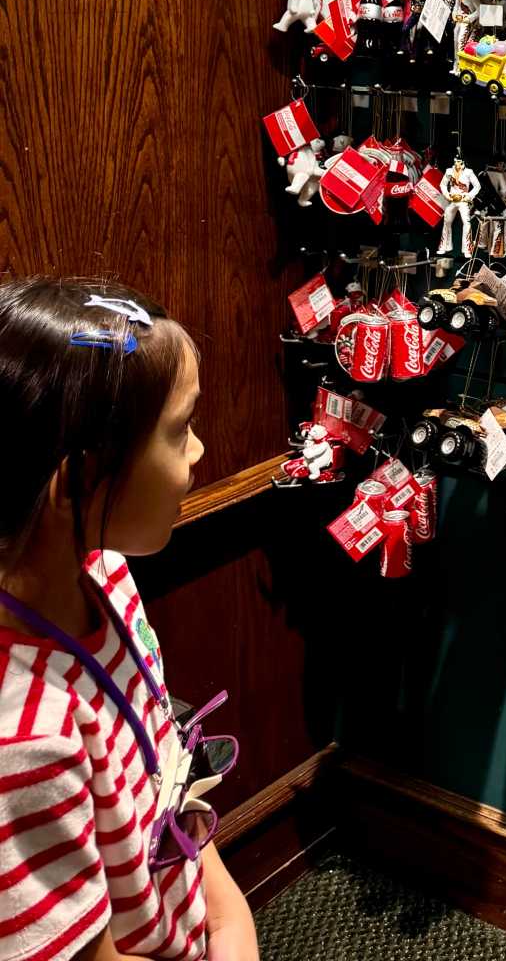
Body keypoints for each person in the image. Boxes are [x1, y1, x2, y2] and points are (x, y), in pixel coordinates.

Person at [0, 277, 258, 961]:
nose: (200, 454)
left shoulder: (107, 574)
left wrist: (225, 915)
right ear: (80, 482)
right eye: (181, 431)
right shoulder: (23, 739)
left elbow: (159, 780)